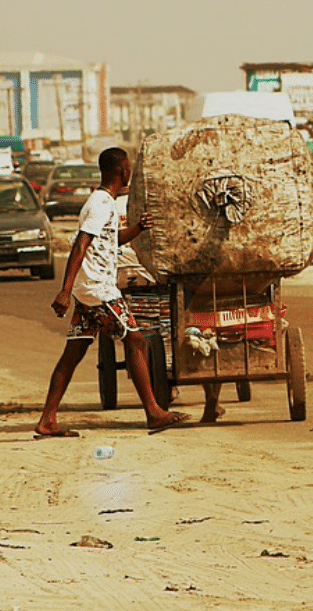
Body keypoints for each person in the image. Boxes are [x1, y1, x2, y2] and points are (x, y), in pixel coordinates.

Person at [36, 147, 190, 438]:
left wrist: (138, 229)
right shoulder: (101, 203)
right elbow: (80, 245)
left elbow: (111, 239)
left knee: (73, 353)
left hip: (88, 292)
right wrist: (64, 291)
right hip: (98, 290)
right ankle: (154, 413)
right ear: (123, 172)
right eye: (128, 167)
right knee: (136, 341)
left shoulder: (103, 202)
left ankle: (47, 420)